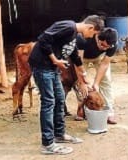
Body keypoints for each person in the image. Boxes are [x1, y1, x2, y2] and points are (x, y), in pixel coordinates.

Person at [28, 15, 104, 155]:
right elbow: (43, 39)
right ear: (90, 27)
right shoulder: (67, 26)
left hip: (52, 68)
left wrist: (83, 75)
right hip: (42, 66)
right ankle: (48, 144)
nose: (91, 36)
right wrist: (55, 60)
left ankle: (59, 134)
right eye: (93, 34)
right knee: (48, 102)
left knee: (59, 98)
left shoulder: (74, 34)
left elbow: (73, 53)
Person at [75, 27, 118, 124]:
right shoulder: (85, 38)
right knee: (81, 83)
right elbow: (78, 61)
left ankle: (109, 112)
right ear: (97, 36)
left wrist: (96, 83)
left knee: (106, 81)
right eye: (102, 44)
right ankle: (81, 108)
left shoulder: (113, 44)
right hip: (82, 58)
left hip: (99, 58)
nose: (104, 48)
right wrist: (82, 81)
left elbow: (105, 64)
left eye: (107, 47)